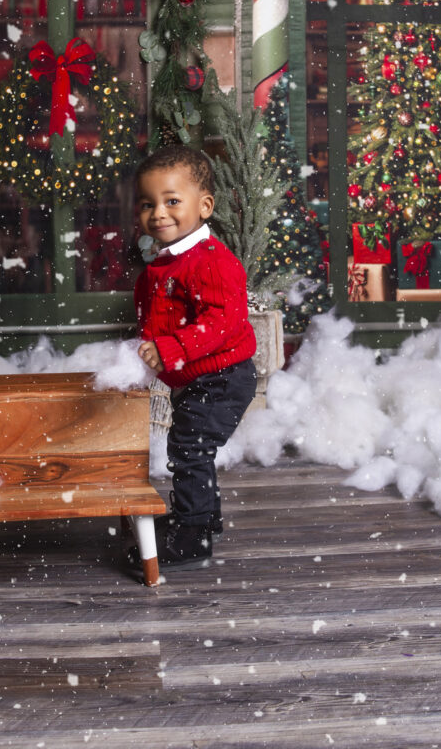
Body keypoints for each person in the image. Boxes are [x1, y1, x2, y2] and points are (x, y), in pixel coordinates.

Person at [130, 144, 257, 572]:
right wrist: (146, 344)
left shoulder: (211, 263)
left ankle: (192, 535)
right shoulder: (167, 261)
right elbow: (158, 311)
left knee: (187, 449)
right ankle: (204, 517)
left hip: (224, 377)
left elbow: (223, 321)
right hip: (199, 378)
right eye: (148, 204)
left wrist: (168, 349)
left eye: (171, 202)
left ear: (204, 207)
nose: (158, 214)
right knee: (193, 449)